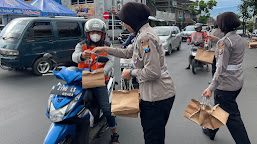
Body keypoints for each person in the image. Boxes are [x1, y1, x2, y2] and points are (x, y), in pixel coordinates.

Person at [92, 2, 176, 144]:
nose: (123, 24)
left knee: (153, 137)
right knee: (153, 134)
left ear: (132, 20)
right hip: (154, 93)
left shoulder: (145, 38)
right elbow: (127, 52)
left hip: (157, 96)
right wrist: (106, 49)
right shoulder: (141, 34)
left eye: (124, 21)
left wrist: (131, 73)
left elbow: (153, 72)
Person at [202, 12, 251, 144]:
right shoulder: (238, 38)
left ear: (223, 25)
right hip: (237, 81)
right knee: (220, 108)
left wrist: (211, 87)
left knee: (233, 119)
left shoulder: (224, 42)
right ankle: (210, 130)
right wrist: (217, 41)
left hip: (226, 85)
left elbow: (221, 68)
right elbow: (231, 49)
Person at [72, 18, 120, 144]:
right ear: (88, 33)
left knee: (106, 109)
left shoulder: (107, 46)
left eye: (98, 32)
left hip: (99, 81)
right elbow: (74, 57)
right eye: (93, 32)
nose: (95, 35)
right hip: (83, 80)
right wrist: (81, 56)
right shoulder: (81, 45)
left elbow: (110, 61)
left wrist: (102, 72)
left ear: (103, 34)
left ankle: (114, 133)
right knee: (75, 105)